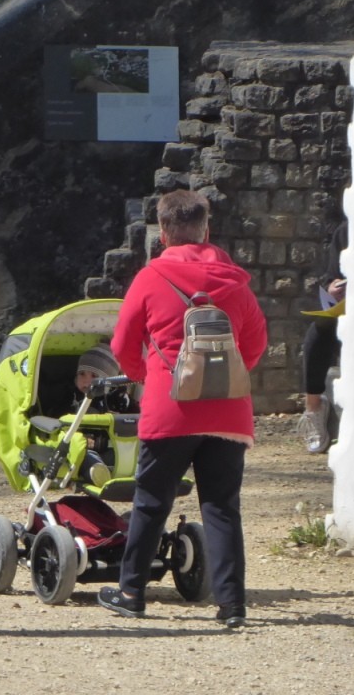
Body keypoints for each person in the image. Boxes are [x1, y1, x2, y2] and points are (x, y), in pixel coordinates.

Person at [100, 189, 267, 629]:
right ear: (206, 226)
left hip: (169, 408)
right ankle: (232, 606)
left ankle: (132, 592)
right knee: (222, 507)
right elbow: (255, 343)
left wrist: (145, 376)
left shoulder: (151, 277)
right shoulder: (234, 279)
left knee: (152, 501)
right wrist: (224, 378)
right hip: (229, 412)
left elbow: (122, 344)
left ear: (164, 231)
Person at [297, 220, 348, 453]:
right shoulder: (346, 231)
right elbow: (330, 275)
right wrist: (332, 287)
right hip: (348, 310)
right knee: (318, 334)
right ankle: (314, 406)